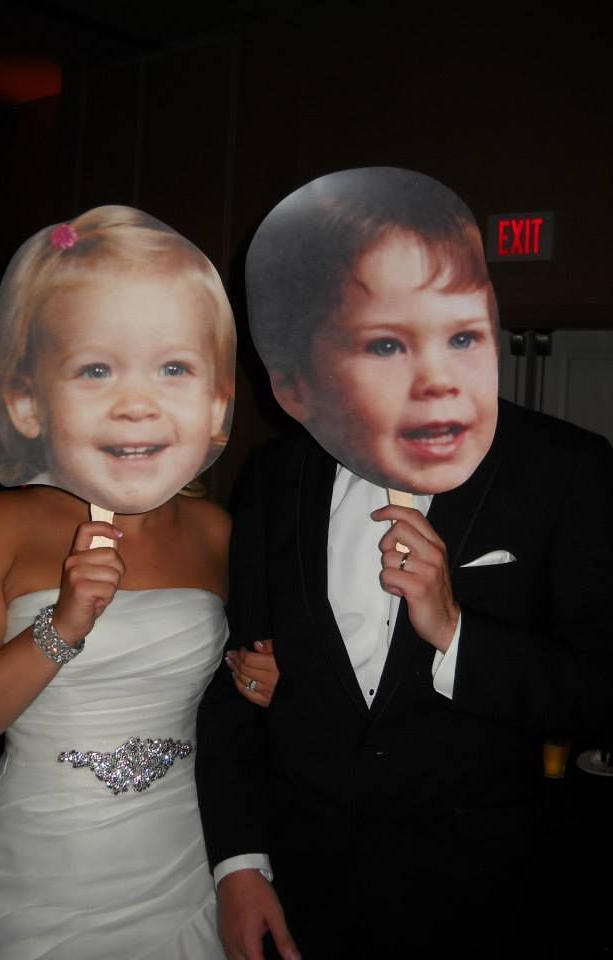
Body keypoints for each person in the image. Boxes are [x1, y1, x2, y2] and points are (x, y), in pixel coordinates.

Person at [195, 168, 613, 959]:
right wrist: (240, 864)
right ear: (296, 379)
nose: (438, 379)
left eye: (461, 335)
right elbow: (238, 682)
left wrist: (455, 631)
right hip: (304, 887)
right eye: (385, 343)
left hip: (485, 899)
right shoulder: (275, 481)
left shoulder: (564, 472)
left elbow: (600, 691)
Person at [0, 206, 275, 960]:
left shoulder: (217, 534)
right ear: (29, 401)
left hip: (183, 867)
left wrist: (265, 682)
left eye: (172, 367)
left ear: (214, 406)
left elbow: (233, 714)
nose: (134, 401)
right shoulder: (3, 526)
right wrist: (62, 628)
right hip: (42, 875)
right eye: (96, 368)